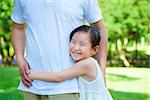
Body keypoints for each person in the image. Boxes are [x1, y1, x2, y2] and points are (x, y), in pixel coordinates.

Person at [11, 0, 107, 99]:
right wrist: (19, 58)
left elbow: (100, 29)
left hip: (67, 87)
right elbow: (17, 28)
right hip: (31, 85)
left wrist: (102, 72)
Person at [28, 25, 113, 100]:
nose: (76, 47)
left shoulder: (87, 64)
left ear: (94, 50)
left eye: (82, 44)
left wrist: (32, 75)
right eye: (73, 42)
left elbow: (58, 77)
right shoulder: (86, 62)